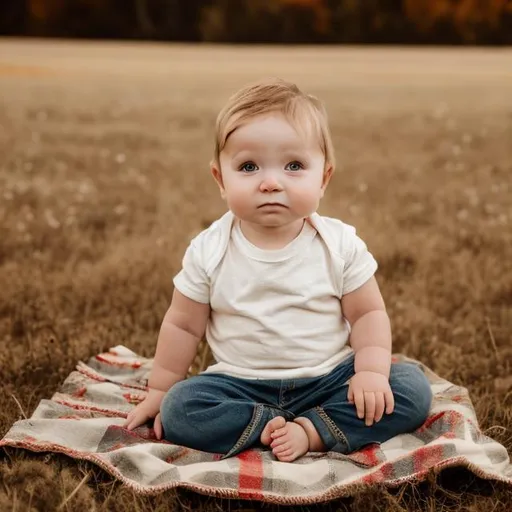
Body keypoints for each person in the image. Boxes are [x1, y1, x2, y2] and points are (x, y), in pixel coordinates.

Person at [124, 77, 432, 462]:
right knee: (180, 409)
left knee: (409, 388)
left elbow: (368, 313)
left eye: (294, 165)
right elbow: (183, 325)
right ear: (221, 179)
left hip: (330, 379)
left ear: (324, 178)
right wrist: (160, 389)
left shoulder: (339, 244)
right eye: (249, 166)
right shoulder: (208, 250)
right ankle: (266, 423)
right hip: (240, 385)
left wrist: (369, 372)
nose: (271, 182)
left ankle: (312, 429)